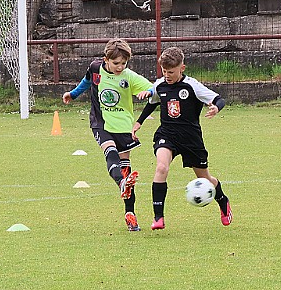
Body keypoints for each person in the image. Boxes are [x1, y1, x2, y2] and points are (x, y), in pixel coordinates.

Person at [132, 46, 232, 230]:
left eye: (171, 72)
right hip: (167, 134)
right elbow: (151, 103)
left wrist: (216, 107)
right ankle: (158, 218)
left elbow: (219, 99)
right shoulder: (159, 85)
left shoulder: (192, 85)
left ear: (182, 68)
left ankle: (223, 200)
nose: (167, 75)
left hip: (191, 138)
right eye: (164, 71)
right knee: (161, 167)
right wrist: (139, 122)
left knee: (205, 177)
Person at [62, 39, 153, 231]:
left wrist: (148, 92)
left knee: (126, 169)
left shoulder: (129, 77)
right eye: (116, 63)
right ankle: (121, 183)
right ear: (106, 60)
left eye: (124, 63)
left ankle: (130, 214)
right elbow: (87, 81)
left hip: (123, 127)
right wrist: (74, 94)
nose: (120, 67)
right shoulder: (96, 68)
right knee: (110, 151)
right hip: (101, 123)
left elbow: (152, 88)